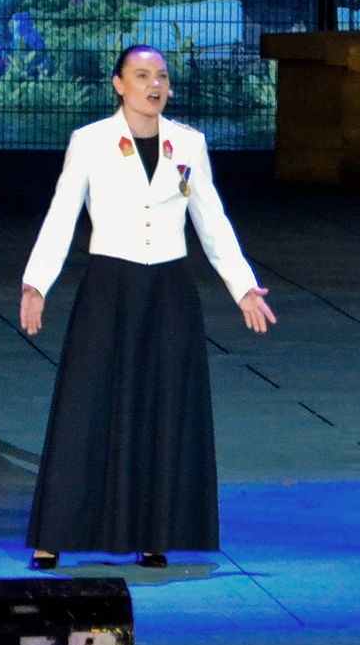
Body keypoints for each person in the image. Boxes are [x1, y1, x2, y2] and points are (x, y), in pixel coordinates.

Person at [19, 44, 275, 570]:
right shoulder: (90, 142)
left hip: (169, 291)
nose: (153, 85)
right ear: (119, 84)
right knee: (85, 406)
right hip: (109, 287)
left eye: (161, 76)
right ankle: (54, 534)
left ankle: (154, 532)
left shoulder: (189, 143)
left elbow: (211, 219)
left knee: (165, 407)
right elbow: (61, 215)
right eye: (141, 75)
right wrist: (36, 284)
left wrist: (243, 285)